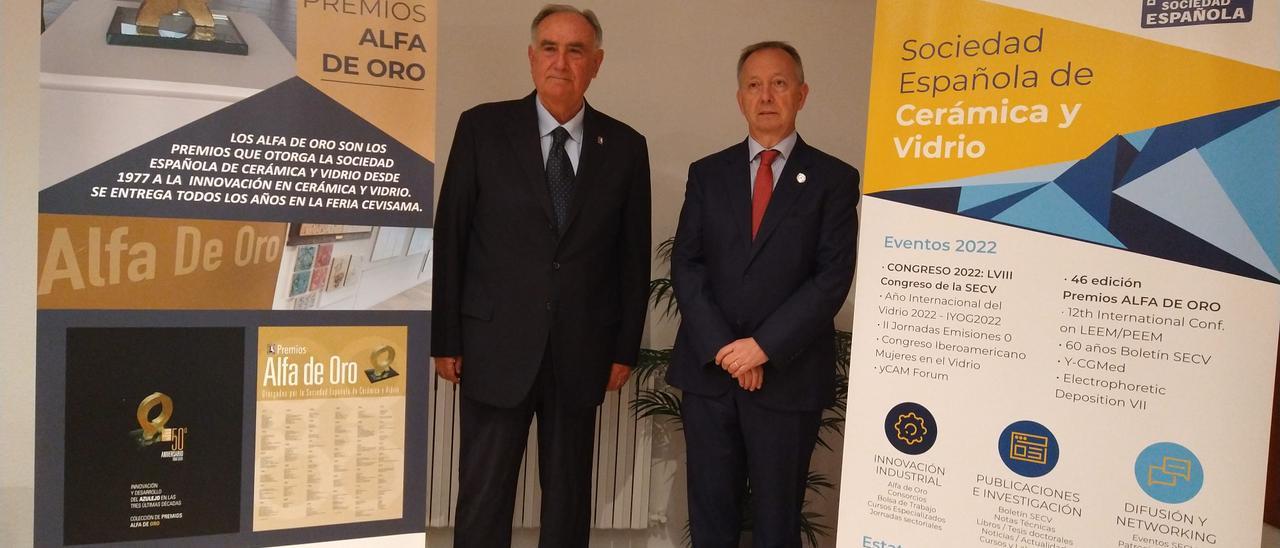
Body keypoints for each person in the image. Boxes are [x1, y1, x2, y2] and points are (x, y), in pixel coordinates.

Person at [430, 4, 651, 547]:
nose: (561, 61)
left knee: (569, 497)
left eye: (576, 50)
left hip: (581, 352)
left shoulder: (625, 146)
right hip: (492, 346)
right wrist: (445, 339)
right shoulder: (481, 127)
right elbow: (451, 235)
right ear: (531, 58)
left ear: (596, 63)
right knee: (483, 494)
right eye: (549, 48)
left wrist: (625, 348)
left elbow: (632, 258)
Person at [668, 41, 858, 548]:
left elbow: (831, 278)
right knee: (711, 517)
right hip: (711, 374)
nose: (766, 95)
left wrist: (763, 347)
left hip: (787, 377)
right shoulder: (707, 173)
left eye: (779, 83)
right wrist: (727, 351)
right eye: (754, 84)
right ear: (739, 98)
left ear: (802, 94)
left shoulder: (834, 180)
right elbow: (687, 264)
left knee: (777, 524)